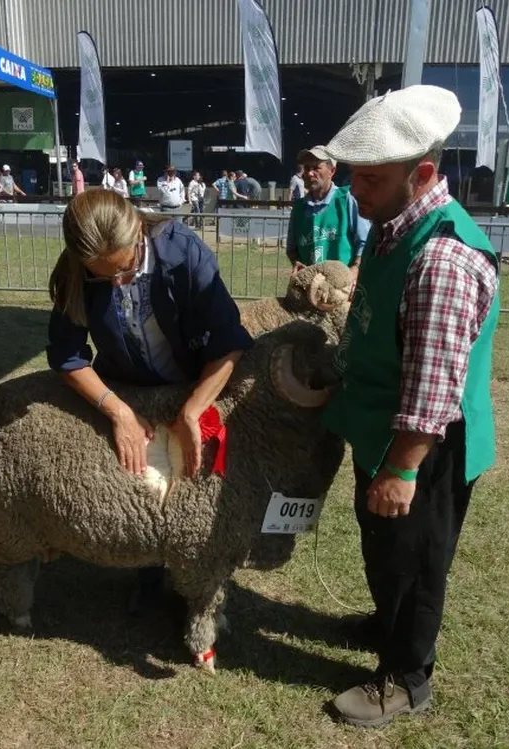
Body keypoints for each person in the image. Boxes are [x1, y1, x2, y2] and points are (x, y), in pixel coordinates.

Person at [318, 85, 500, 728]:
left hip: (423, 445)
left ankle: (406, 677)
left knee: (416, 559)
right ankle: (386, 623)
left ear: (421, 173)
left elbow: (433, 383)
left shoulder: (442, 257)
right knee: (385, 547)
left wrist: (401, 469)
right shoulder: (392, 228)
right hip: (382, 430)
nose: (354, 190)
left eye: (370, 177)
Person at [47, 189, 253, 613]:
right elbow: (67, 355)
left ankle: (199, 574)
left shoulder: (184, 252)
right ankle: (148, 567)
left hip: (192, 384)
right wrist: (118, 410)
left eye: (125, 271)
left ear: (139, 233)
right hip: (131, 389)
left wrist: (193, 409)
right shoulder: (75, 271)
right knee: (145, 482)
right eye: (104, 279)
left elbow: (229, 342)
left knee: (199, 479)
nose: (118, 284)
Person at [285, 146, 370, 280]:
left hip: (343, 288)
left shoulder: (347, 199)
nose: (309, 173)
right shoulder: (299, 208)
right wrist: (296, 262)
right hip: (310, 288)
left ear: (332, 171)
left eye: (316, 168)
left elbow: (365, 243)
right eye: (307, 168)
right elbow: (291, 248)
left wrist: (354, 270)